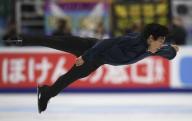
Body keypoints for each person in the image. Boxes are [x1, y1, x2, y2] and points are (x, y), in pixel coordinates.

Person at [5, 23, 179, 113]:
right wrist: (85, 56)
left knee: (70, 77)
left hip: (97, 59)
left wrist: (172, 50)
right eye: (161, 40)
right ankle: (20, 39)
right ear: (150, 38)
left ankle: (46, 92)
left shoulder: (155, 49)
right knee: (55, 41)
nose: (162, 43)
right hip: (92, 49)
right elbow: (105, 43)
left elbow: (168, 53)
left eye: (163, 40)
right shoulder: (133, 41)